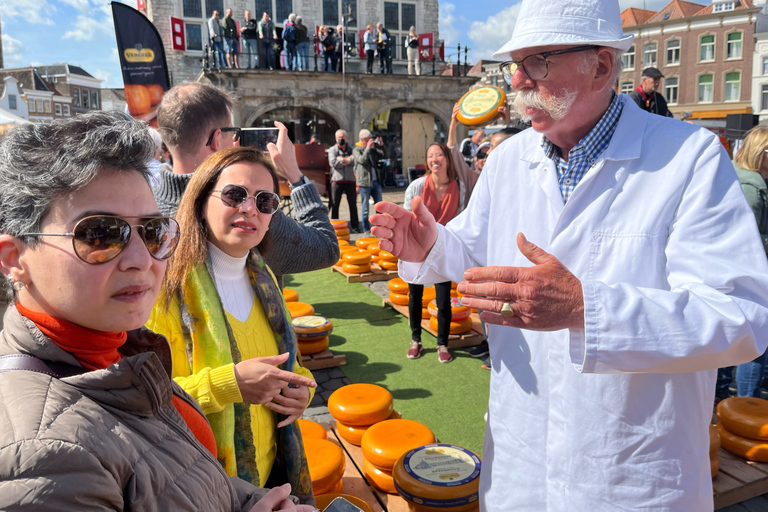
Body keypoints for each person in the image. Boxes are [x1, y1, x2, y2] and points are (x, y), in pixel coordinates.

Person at [370, 0, 768, 509]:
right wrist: (428, 244)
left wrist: (586, 308)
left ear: (601, 65)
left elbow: (740, 317)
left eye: (538, 62)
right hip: (521, 467)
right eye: (517, 65)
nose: (516, 82)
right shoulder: (509, 160)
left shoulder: (688, 158)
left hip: (633, 476)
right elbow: (470, 248)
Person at [0, 110, 315, 511]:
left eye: (151, 231)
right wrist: (229, 384)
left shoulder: (124, 345)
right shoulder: (42, 457)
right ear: (14, 259)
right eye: (100, 233)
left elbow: (183, 479)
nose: (140, 259)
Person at [147, 145, 316, 500]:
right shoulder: (163, 289)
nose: (249, 209)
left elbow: (291, 366)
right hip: (200, 486)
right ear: (200, 200)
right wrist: (230, 384)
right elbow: (145, 400)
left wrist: (304, 389)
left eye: (265, 200)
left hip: (272, 477)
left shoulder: (265, 277)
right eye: (234, 194)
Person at [154, 82, 339, 286]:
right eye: (231, 132)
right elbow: (327, 247)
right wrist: (295, 175)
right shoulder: (248, 214)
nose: (235, 138)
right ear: (217, 139)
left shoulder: (146, 206)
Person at [402, 142, 468, 364]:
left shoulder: (460, 187)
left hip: (444, 248)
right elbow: (407, 216)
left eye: (439, 154)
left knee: (443, 299)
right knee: (415, 295)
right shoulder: (418, 186)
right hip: (418, 248)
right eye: (430, 156)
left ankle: (442, 343)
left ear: (447, 159)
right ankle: (415, 339)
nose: (434, 159)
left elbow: (462, 219)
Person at [731, 125, 768, 398]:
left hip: (748, 275)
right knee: (755, 343)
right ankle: (746, 406)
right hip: (753, 275)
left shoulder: (752, 182)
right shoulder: (752, 188)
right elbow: (749, 242)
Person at [354, 129, 385, 233]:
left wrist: (381, 146)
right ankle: (366, 229)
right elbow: (362, 160)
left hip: (376, 182)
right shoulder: (356, 150)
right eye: (368, 140)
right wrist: (367, 148)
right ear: (362, 140)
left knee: (379, 207)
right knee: (365, 208)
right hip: (364, 183)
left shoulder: (372, 149)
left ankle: (379, 227)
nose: (370, 142)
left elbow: (383, 155)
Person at [328, 129, 360, 232]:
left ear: (347, 138)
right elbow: (333, 163)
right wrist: (348, 160)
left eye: (343, 137)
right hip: (337, 182)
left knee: (353, 205)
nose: (341, 139)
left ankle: (355, 226)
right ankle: (334, 226)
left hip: (350, 181)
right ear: (335, 139)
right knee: (335, 204)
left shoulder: (352, 149)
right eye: (339, 137)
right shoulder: (332, 150)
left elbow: (355, 160)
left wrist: (341, 159)